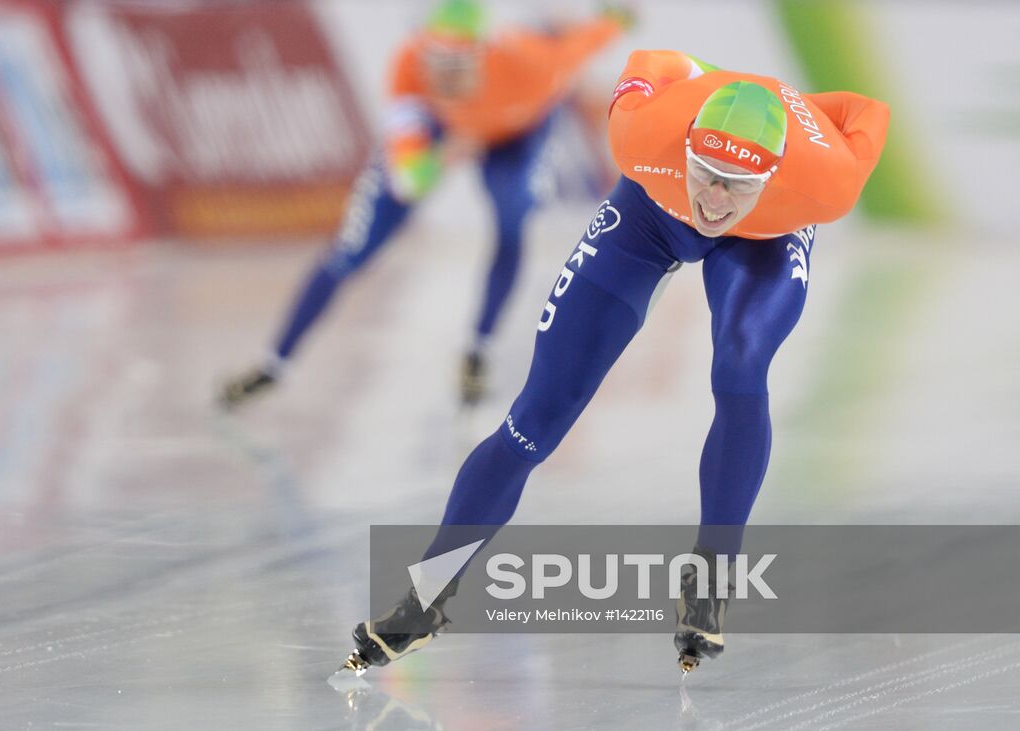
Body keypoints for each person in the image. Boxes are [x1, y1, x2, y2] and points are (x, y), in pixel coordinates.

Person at [340, 50, 890, 675]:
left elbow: (866, 108)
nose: (713, 199)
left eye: (734, 182)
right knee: (534, 419)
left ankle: (711, 577)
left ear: (771, 173)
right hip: (651, 212)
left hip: (769, 230)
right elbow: (652, 61)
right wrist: (698, 82)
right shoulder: (643, 133)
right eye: (705, 171)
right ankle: (427, 596)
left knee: (741, 365)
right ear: (688, 145)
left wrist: (805, 113)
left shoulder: (826, 180)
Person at [221, 0, 628, 408]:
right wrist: (443, 154)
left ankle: (478, 350)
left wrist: (617, 16)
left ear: (481, 53)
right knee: (352, 249)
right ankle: (274, 364)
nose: (446, 76)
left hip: (514, 135)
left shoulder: (533, 65)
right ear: (423, 51)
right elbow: (406, 180)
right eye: (437, 61)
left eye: (458, 64)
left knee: (513, 217)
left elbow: (597, 34)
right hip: (444, 130)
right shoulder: (409, 68)